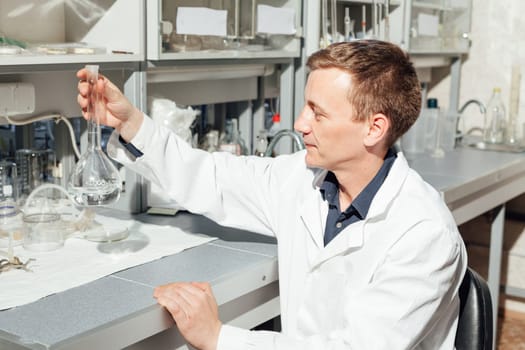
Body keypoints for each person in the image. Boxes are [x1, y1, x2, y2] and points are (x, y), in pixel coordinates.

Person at [76, 39, 467, 349]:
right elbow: (212, 177)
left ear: (374, 128)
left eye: (318, 112)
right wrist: (131, 124)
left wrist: (219, 338)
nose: (301, 124)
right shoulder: (304, 178)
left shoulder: (423, 233)